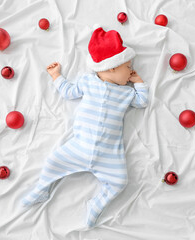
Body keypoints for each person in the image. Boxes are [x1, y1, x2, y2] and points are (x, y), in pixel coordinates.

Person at [21, 27, 149, 228]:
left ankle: (96, 205)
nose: (131, 71)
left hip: (109, 153)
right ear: (112, 67)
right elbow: (69, 92)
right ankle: (41, 189)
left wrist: (139, 82)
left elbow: (142, 101)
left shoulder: (126, 93)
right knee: (53, 161)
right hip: (80, 146)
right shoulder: (88, 82)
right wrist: (56, 76)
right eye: (128, 66)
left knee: (119, 182)